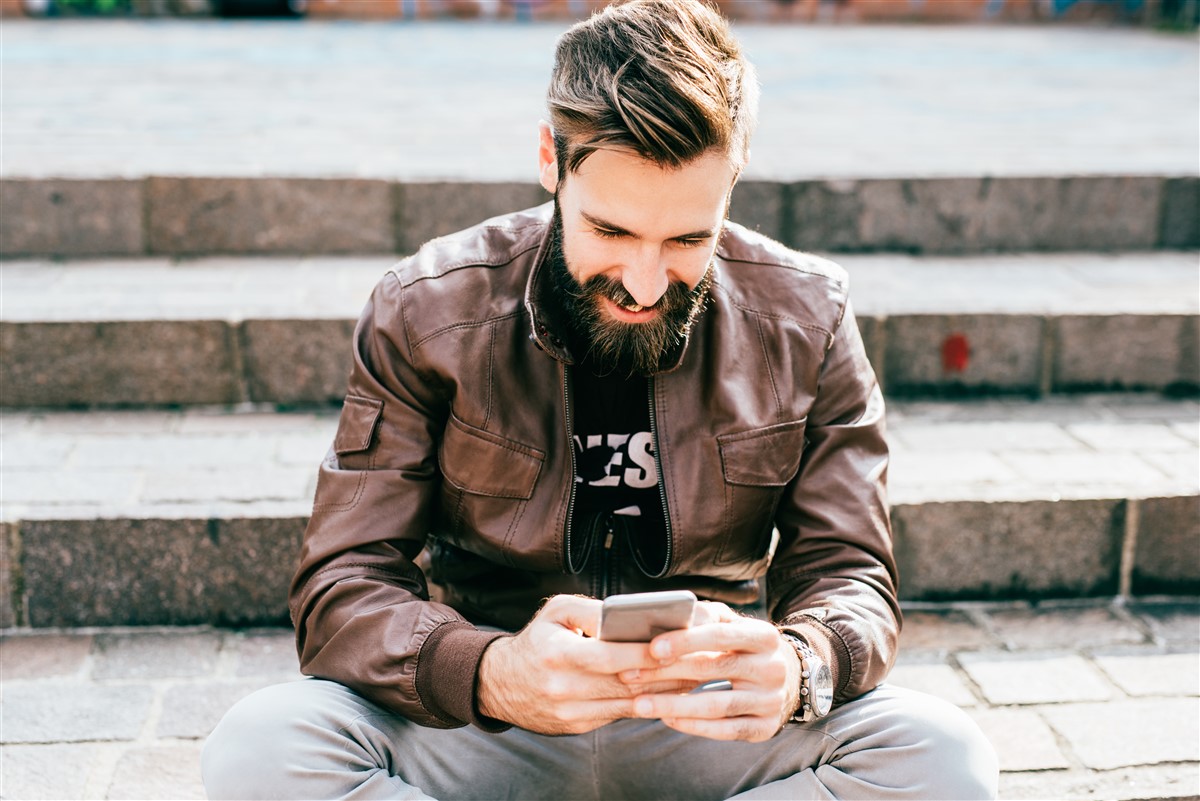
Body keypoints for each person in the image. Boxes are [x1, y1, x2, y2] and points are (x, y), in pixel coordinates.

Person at [202, 1, 998, 798]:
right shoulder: (426, 310)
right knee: (261, 749)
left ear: (733, 180)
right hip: (493, 715)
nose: (646, 283)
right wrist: (488, 670)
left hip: (710, 720)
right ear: (551, 159)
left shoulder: (808, 316)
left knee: (942, 756)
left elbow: (850, 569)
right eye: (612, 232)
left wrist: (801, 663)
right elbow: (342, 584)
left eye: (688, 239)